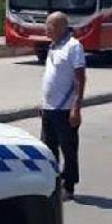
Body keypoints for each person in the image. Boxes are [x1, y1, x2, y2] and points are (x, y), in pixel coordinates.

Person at [39, 11, 87, 201]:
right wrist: (43, 102)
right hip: (49, 108)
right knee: (48, 149)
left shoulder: (73, 46)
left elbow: (80, 79)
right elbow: (51, 77)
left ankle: (69, 186)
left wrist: (76, 108)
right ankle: (53, 183)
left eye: (49, 25)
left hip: (65, 110)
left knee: (68, 149)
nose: (46, 28)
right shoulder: (53, 46)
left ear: (60, 26)